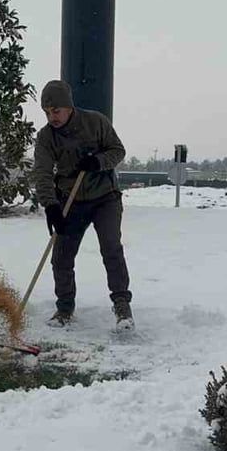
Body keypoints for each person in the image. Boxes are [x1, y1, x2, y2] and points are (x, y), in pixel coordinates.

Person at [30, 79, 133, 330]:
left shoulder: (95, 122)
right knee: (61, 256)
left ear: (69, 107)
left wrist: (97, 162)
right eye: (47, 112)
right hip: (70, 200)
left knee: (111, 248)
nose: (52, 117)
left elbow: (118, 150)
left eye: (56, 111)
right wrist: (51, 206)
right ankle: (64, 308)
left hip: (105, 197)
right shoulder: (46, 137)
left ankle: (122, 306)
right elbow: (42, 172)